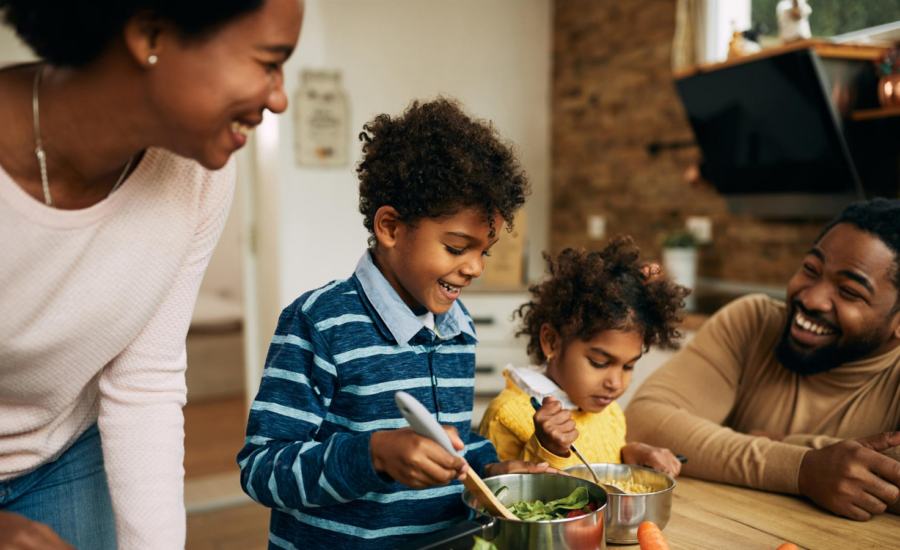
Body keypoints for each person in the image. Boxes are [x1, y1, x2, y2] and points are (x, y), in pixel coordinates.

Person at [0, 1, 303, 548]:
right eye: (268, 62)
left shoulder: (199, 177)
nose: (279, 97)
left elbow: (145, 379)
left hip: (59, 452)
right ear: (150, 33)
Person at [238, 98, 560, 550]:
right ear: (390, 227)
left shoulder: (457, 326)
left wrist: (489, 469)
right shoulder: (319, 323)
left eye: (482, 251)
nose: (475, 269)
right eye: (455, 247)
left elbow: (454, 438)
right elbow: (262, 469)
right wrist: (374, 457)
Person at [626, 199, 900, 522]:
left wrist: (784, 441)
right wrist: (804, 468)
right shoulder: (753, 323)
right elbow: (644, 422)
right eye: (810, 269)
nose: (810, 298)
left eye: (850, 291)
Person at [478, 238, 688, 477]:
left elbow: (601, 464)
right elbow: (497, 501)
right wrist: (549, 448)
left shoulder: (610, 413)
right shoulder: (505, 415)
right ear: (552, 341)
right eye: (599, 363)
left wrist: (633, 454)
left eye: (628, 366)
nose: (616, 383)